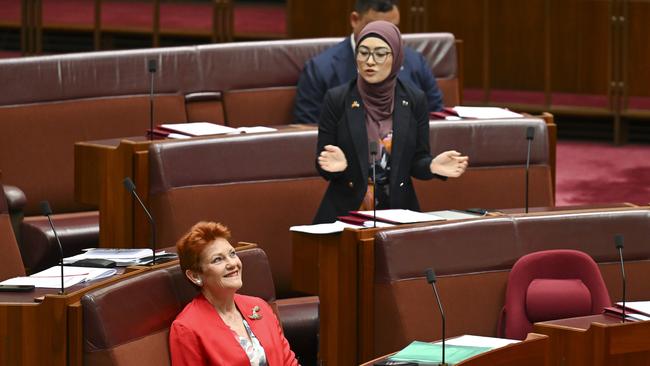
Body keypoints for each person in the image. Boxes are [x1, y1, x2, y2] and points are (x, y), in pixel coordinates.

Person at [313, 20, 468, 224]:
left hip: (398, 211)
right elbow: (323, 163)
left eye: (380, 54)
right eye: (364, 52)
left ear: (396, 57)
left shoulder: (414, 100)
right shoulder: (338, 99)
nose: (370, 61)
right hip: (346, 212)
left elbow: (416, 162)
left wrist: (432, 166)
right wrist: (338, 167)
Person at [293, 0, 443, 124]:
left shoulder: (415, 62)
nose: (383, 36)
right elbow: (308, 128)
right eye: (374, 28)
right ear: (355, 20)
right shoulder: (320, 69)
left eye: (392, 28)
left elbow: (436, 115)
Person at [169, 221, 298, 366]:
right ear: (195, 276)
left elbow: (289, 362)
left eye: (232, 254)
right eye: (218, 259)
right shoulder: (187, 328)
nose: (232, 263)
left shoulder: (259, 306)